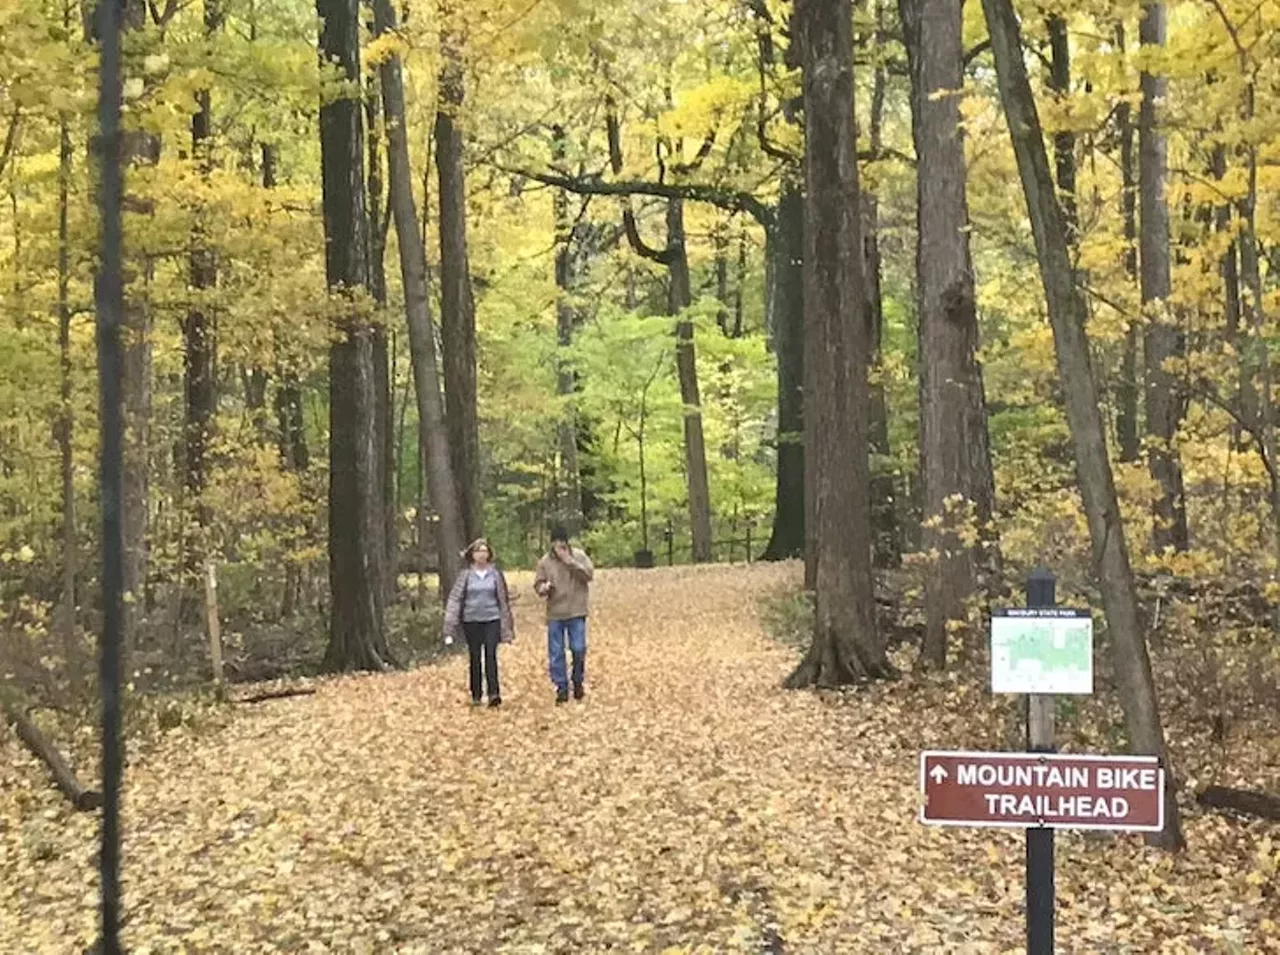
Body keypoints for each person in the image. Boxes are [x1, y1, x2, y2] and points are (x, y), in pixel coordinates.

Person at [443, 538, 514, 708]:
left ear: (489, 554)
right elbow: (454, 600)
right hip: (471, 621)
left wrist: (507, 629)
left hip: (492, 619)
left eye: (484, 551)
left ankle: (494, 694)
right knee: (475, 656)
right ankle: (476, 694)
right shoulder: (465, 576)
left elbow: (503, 601)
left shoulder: (495, 574)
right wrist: (449, 628)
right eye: (478, 551)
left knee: (491, 655)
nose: (482, 554)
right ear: (472, 555)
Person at [533, 526, 594, 704]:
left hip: (576, 610)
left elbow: (589, 575)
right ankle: (561, 686)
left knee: (578, 648)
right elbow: (538, 584)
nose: (559, 546)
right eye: (556, 542)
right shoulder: (545, 562)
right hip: (555, 612)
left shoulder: (579, 556)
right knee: (556, 652)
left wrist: (570, 562)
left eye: (562, 542)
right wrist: (544, 588)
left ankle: (577, 679)